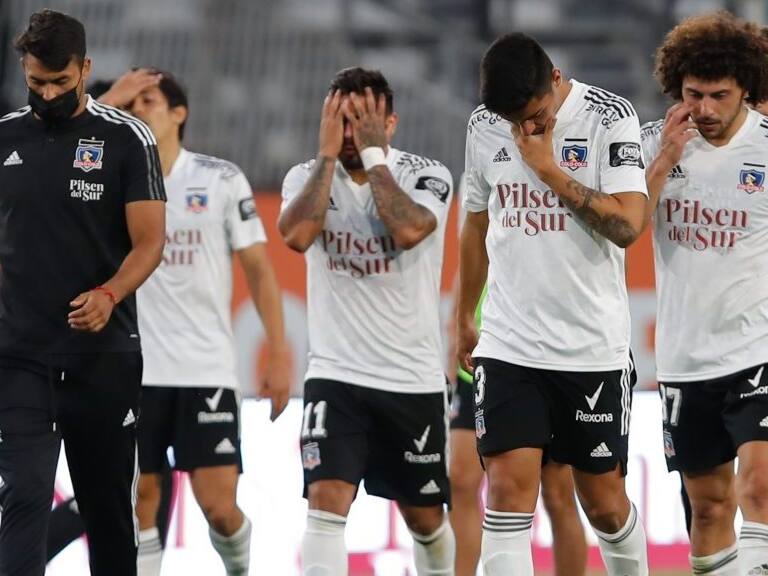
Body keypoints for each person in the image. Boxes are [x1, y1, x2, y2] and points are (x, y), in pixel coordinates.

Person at [457, 33, 649, 575]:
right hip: (509, 341)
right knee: (507, 492)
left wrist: (548, 170)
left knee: (603, 504)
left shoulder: (609, 118)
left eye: (537, 116)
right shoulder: (482, 125)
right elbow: (475, 222)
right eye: (515, 122)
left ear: (557, 79)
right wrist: (462, 316)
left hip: (589, 348)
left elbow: (628, 224)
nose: (526, 131)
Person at [93, 68, 289, 575]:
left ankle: (240, 568)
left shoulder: (220, 179)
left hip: (204, 368)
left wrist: (280, 352)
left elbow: (260, 272)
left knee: (218, 507)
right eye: (130, 106)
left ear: (179, 113)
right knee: (143, 501)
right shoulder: (110, 181)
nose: (137, 112)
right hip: (135, 368)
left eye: (149, 102)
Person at [0, 9, 166, 576]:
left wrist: (110, 294)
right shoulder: (5, 139)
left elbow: (149, 242)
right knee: (23, 494)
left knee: (107, 509)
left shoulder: (126, 140)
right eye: (35, 82)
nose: (46, 94)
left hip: (103, 357)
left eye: (59, 82)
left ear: (85, 68)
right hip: (20, 354)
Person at [279, 67, 455, 575]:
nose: (350, 131)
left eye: (361, 120)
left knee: (424, 519)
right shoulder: (306, 176)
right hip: (336, 376)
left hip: (411, 379)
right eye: (340, 119)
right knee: (326, 502)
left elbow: (408, 229)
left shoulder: (429, 174)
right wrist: (329, 156)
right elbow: (294, 235)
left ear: (389, 122)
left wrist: (375, 159)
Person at [640, 12, 768, 575]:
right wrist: (664, 161)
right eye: (695, 95)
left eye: (721, 95)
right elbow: (621, 230)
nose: (707, 110)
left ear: (747, 89)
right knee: (709, 507)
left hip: (756, 349)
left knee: (760, 490)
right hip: (685, 359)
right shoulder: (648, 145)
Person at [449, 188, 587, 576]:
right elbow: (473, 245)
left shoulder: (560, 159)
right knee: (461, 478)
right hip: (486, 348)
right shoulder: (483, 157)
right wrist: (456, 321)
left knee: (558, 492)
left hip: (542, 350)